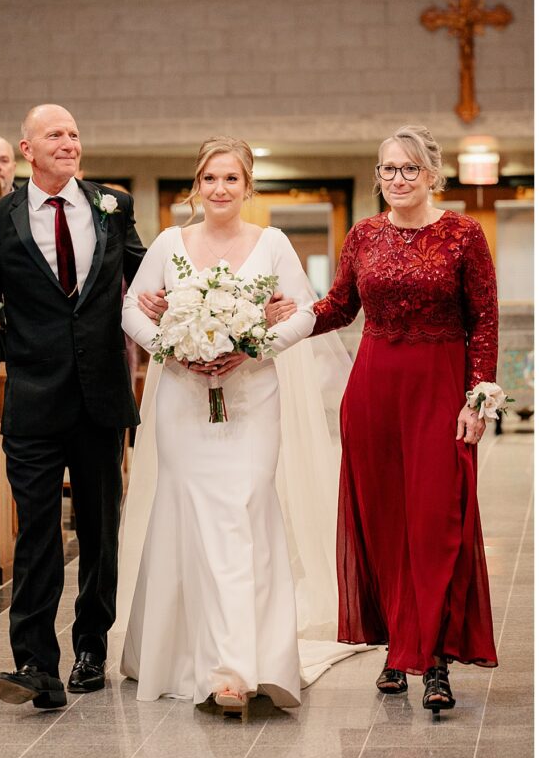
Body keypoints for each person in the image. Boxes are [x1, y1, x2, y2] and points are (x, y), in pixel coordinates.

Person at [118, 136, 362, 715]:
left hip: (252, 398)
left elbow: (306, 314)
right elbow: (131, 307)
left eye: (231, 179)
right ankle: (199, 659)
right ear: (196, 186)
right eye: (210, 179)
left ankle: (245, 663)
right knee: (191, 511)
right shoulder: (169, 244)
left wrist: (251, 347)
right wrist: (172, 348)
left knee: (246, 507)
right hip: (183, 399)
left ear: (248, 186)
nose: (220, 189)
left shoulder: (272, 244)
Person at [272, 125, 499, 714]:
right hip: (373, 390)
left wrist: (477, 401)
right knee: (384, 522)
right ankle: (402, 649)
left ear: (431, 173)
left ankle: (436, 660)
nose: (397, 179)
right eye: (388, 169)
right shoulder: (363, 235)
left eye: (409, 169)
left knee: (434, 520)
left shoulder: (464, 234)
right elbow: (340, 307)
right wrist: (283, 319)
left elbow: (485, 321)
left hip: (438, 385)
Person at [0, 104, 146, 710]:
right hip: (34, 402)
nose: (69, 142)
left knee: (101, 533)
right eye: (56, 134)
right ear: (28, 148)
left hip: (101, 398)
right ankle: (34, 664)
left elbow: (150, 276)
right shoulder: (0, 219)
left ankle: (91, 647)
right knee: (38, 535)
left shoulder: (111, 205)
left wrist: (213, 306)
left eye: (75, 133)